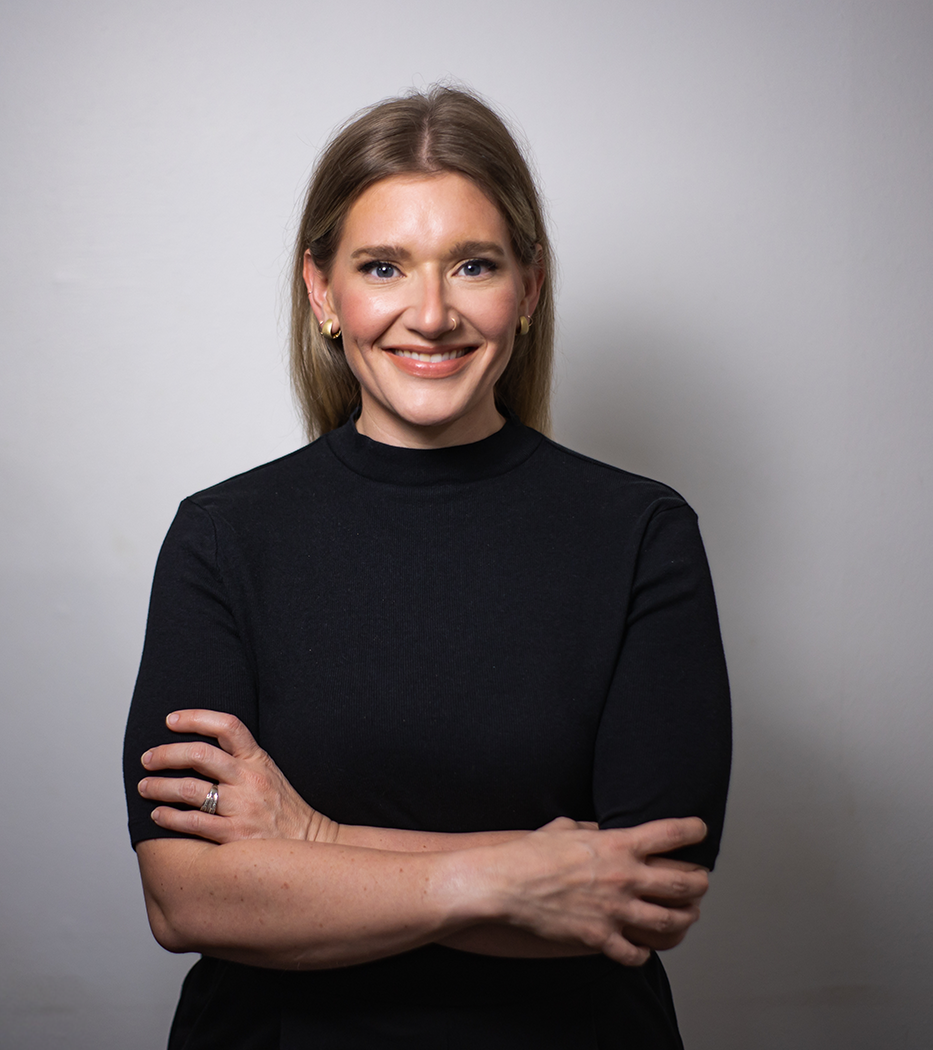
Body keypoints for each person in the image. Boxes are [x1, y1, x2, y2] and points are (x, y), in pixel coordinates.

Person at [123, 85, 731, 1049]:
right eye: (384, 267)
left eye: (473, 265)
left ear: (530, 288)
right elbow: (188, 897)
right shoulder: (223, 536)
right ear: (324, 293)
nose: (433, 313)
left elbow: (641, 897)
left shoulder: (640, 533)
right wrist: (512, 879)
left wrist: (316, 843)